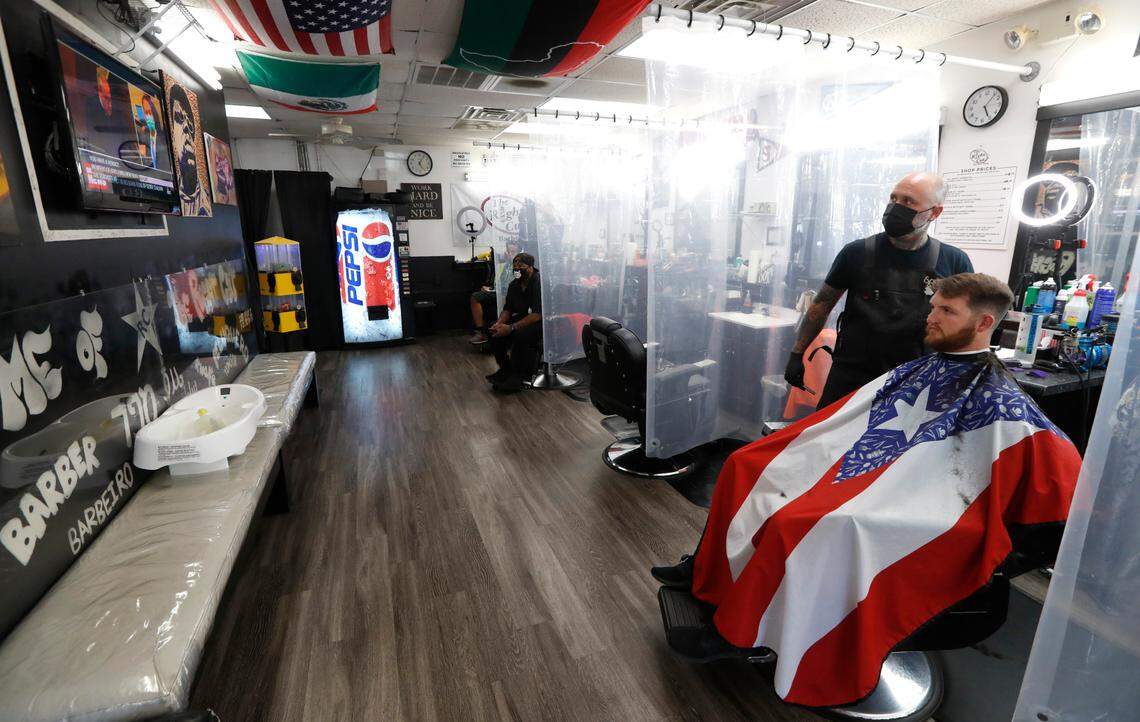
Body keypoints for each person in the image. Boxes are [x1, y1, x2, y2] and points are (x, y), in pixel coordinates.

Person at [651, 273, 1081, 708]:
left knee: (798, 522)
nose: (930, 318)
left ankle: (738, 633)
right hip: (877, 472)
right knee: (745, 465)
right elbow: (853, 419)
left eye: (946, 312)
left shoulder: (1001, 399)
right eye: (933, 307)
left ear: (985, 321)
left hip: (919, 503)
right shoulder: (927, 365)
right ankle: (707, 571)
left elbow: (1054, 466)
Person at [784, 172, 974, 410]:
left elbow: (965, 321)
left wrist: (962, 370)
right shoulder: (856, 253)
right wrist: (797, 353)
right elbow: (821, 306)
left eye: (908, 201)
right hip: (851, 377)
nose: (896, 207)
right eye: (894, 198)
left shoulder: (953, 261)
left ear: (935, 212)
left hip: (915, 382)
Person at [486, 253, 542, 392]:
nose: (516, 268)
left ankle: (520, 375)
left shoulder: (538, 282)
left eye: (520, 265)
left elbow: (536, 314)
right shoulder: (514, 285)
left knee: (520, 335)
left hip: (543, 321)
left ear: (530, 268)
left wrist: (511, 328)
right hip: (526, 318)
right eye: (514, 265)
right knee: (494, 332)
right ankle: (506, 369)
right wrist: (499, 324)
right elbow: (508, 309)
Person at [468, 239, 520, 345]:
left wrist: (512, 262)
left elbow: (518, 282)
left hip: (511, 294)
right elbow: (498, 282)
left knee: (505, 297)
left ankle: (500, 332)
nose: (510, 254)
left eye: (513, 252)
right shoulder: (503, 264)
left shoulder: (520, 266)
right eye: (508, 251)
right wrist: (489, 288)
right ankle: (480, 331)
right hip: (497, 291)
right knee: (475, 296)